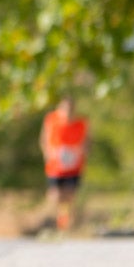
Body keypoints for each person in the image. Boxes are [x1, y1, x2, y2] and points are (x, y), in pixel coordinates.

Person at [40, 95, 89, 231]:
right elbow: (44, 140)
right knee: (55, 195)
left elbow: (87, 142)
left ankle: (66, 222)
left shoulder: (81, 123)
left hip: (73, 165)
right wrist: (48, 155)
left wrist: (81, 152)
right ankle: (54, 219)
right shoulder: (51, 120)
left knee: (70, 195)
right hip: (56, 165)